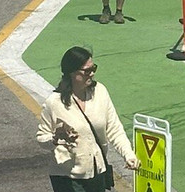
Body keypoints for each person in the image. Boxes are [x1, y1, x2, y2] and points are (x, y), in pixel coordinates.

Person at [36, 46, 139, 192]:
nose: (91, 74)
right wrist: (55, 138)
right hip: (67, 178)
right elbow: (41, 138)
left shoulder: (100, 92)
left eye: (93, 68)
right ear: (72, 73)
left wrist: (128, 154)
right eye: (87, 71)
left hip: (97, 174)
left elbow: (114, 129)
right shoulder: (54, 103)